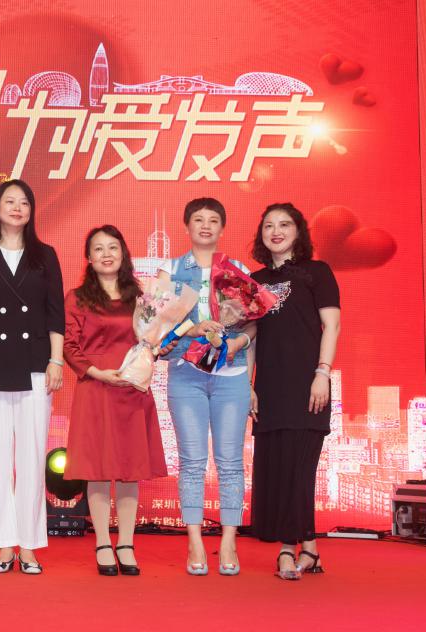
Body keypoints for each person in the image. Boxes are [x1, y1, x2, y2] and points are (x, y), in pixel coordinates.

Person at [0, 179, 65, 575]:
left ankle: (31, 546)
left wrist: (56, 361)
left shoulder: (45, 256)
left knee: (32, 458)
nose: (18, 208)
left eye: (25, 202)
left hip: (35, 364)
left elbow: (55, 313)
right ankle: (4, 544)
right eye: (10, 201)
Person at [157, 197, 256, 576]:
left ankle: (229, 540)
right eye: (198, 219)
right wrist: (190, 329)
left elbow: (252, 323)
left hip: (231, 376)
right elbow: (153, 324)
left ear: (221, 228)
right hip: (186, 375)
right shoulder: (170, 270)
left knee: (230, 463)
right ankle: (195, 541)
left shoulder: (237, 270)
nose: (205, 226)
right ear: (187, 226)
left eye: (213, 220)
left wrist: (237, 341)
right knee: (192, 462)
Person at [62, 225, 167, 576]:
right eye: (98, 249)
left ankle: (126, 542)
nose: (106, 254)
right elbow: (68, 344)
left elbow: (151, 339)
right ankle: (103, 542)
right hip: (96, 388)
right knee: (97, 470)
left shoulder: (141, 297)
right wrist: (96, 372)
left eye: (113, 247)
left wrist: (156, 348)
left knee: (128, 471)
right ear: (88, 258)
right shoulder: (77, 298)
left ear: (123, 254)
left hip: (132, 390)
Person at [248, 203, 341, 580]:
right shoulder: (253, 280)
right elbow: (251, 337)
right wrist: (248, 386)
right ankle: (311, 551)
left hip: (308, 385)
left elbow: (331, 326)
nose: (276, 231)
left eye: (284, 224)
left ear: (298, 231)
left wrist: (322, 373)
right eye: (268, 225)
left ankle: (288, 549)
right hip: (269, 388)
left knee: (299, 471)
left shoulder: (317, 272)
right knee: (276, 470)